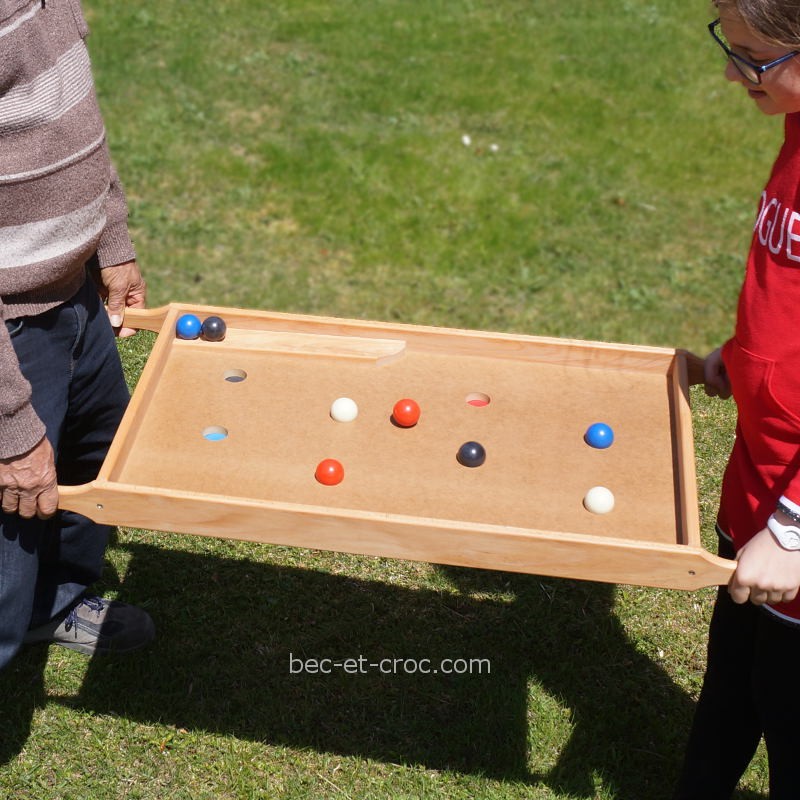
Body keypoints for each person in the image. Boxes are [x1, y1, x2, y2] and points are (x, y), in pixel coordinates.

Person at [0, 0, 154, 668]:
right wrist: (8, 425)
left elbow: (71, 115)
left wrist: (108, 238)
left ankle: (52, 606)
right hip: (10, 332)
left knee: (97, 457)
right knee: (11, 535)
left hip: (73, 297)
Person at [673, 3, 800, 798]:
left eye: (752, 57)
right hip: (759, 482)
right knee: (732, 688)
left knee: (790, 717)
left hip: (794, 524)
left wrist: (792, 533)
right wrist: (740, 359)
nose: (732, 71)